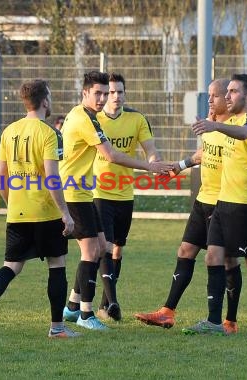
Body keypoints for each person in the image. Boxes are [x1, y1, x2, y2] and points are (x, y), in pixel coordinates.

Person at [60, 71, 172, 330]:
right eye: (100, 93)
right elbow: (110, 155)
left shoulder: (93, 116)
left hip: (88, 192)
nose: (105, 98)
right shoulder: (87, 119)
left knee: (101, 247)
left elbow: (147, 149)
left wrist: (152, 162)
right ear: (85, 93)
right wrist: (148, 167)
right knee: (92, 251)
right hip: (80, 192)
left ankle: (72, 305)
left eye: (109, 92)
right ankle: (88, 314)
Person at [0, 79, 78, 339]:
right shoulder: (50, 133)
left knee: (11, 267)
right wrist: (65, 212)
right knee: (57, 265)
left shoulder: (9, 131)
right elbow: (52, 178)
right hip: (46, 213)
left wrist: (10, 202)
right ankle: (57, 328)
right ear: (45, 101)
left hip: (17, 213)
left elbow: (0, 176)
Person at [134, 79, 243, 335]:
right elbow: (202, 156)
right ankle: (167, 312)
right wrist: (178, 167)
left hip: (225, 202)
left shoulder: (236, 129)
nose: (210, 101)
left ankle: (230, 321)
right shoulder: (209, 127)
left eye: (214, 96)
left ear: (227, 100)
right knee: (185, 250)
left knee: (227, 259)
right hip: (204, 199)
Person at [183, 73, 247, 336]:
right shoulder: (229, 119)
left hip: (245, 205)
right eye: (226, 91)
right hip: (222, 202)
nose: (227, 96)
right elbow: (210, 150)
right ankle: (214, 322)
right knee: (213, 256)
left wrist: (216, 126)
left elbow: (245, 133)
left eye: (233, 91)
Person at [92, 73, 162, 321]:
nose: (116, 97)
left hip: (125, 193)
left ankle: (102, 304)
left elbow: (150, 150)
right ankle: (113, 302)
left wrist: (154, 162)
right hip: (100, 192)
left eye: (120, 92)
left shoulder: (137, 119)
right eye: (111, 92)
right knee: (105, 247)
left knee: (117, 251)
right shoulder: (94, 120)